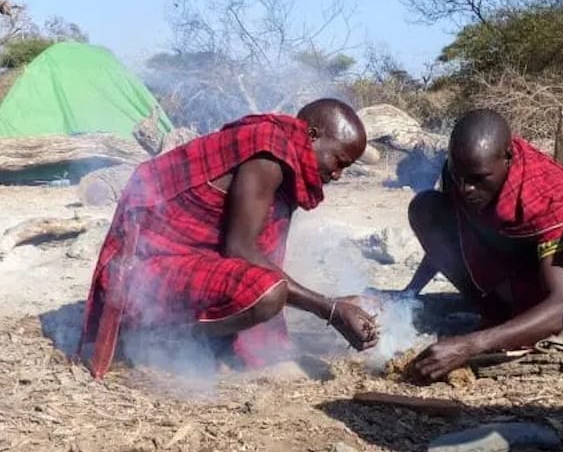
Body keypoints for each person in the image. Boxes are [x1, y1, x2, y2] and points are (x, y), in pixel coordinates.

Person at [79, 98, 379, 377]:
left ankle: (202, 336)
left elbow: (254, 250)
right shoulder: (269, 153)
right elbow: (241, 250)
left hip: (189, 257)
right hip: (145, 265)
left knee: (267, 286)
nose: (338, 174)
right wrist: (329, 309)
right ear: (312, 135)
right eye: (339, 161)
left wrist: (333, 304)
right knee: (268, 292)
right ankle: (162, 339)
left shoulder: (283, 153)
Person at [403, 108, 563, 381]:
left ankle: (516, 327)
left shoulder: (545, 198)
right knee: (425, 207)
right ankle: (495, 314)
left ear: (507, 157)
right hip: (503, 278)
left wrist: (471, 345)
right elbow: (451, 235)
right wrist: (409, 293)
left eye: (477, 179)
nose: (466, 189)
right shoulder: (461, 173)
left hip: (547, 295)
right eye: (459, 177)